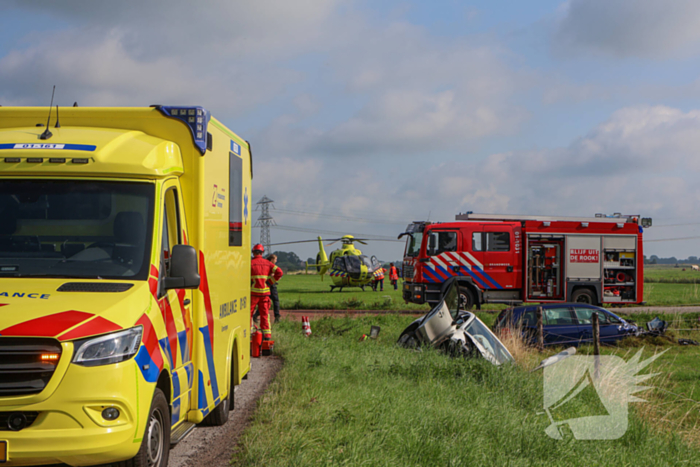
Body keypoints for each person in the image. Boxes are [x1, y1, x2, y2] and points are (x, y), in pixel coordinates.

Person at [250, 244, 283, 347]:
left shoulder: (250, 263)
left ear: (253, 252)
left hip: (253, 294)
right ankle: (267, 336)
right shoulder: (268, 263)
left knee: (249, 314)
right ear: (262, 253)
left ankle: (250, 334)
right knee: (265, 315)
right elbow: (280, 272)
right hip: (265, 294)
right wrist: (269, 282)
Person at [266, 254, 281, 323]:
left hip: (267, 285)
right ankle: (277, 316)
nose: (276, 261)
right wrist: (271, 280)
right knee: (275, 301)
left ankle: (256, 315)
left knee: (265, 301)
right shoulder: (271, 266)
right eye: (275, 259)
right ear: (272, 259)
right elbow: (279, 273)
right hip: (271, 285)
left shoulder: (266, 264)